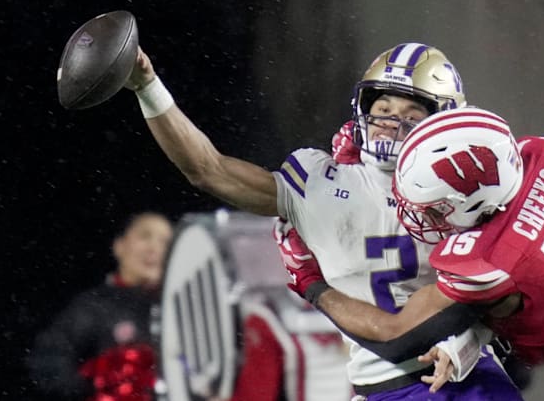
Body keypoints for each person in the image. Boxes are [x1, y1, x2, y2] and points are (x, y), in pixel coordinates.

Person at [124, 42, 523, 399]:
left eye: (410, 112)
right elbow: (207, 169)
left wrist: (465, 346)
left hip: (467, 377)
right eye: (382, 107)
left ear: (442, 121)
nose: (389, 120)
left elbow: (502, 293)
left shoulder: (467, 187)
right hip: (384, 385)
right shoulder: (317, 181)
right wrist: (148, 87)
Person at [279, 107, 544, 400]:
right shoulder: (543, 156)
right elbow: (512, 300)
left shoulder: (487, 260)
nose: (423, 219)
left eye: (430, 209)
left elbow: (395, 336)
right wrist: (464, 344)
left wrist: (312, 284)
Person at [29, 212, 173, 401]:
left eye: (165, 242)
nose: (154, 248)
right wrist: (97, 379)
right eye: (145, 236)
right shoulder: (94, 304)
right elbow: (47, 364)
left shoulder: (182, 308)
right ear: (119, 246)